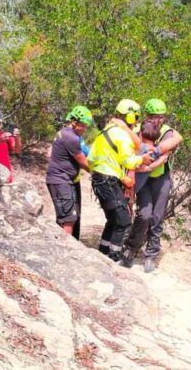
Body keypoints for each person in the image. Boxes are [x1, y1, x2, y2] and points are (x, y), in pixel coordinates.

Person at [122, 99, 183, 272]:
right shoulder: (139, 129)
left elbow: (166, 154)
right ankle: (131, 248)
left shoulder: (166, 131)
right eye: (155, 117)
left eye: (161, 117)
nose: (159, 120)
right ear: (147, 115)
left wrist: (150, 165)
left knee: (157, 217)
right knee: (144, 215)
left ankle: (151, 254)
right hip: (143, 179)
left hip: (160, 177)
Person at [88, 99, 152, 262]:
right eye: (135, 118)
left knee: (113, 219)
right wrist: (142, 159)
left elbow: (92, 158)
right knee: (123, 221)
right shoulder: (121, 135)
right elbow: (128, 161)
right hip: (107, 181)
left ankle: (103, 252)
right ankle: (113, 257)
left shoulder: (106, 130)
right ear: (131, 118)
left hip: (100, 179)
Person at [46, 106, 93, 240]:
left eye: (86, 127)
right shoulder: (71, 138)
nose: (84, 129)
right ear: (74, 122)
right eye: (82, 126)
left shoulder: (65, 132)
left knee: (70, 216)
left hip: (66, 180)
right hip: (60, 180)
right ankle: (64, 250)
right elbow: (84, 163)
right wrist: (100, 172)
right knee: (68, 219)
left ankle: (63, 245)